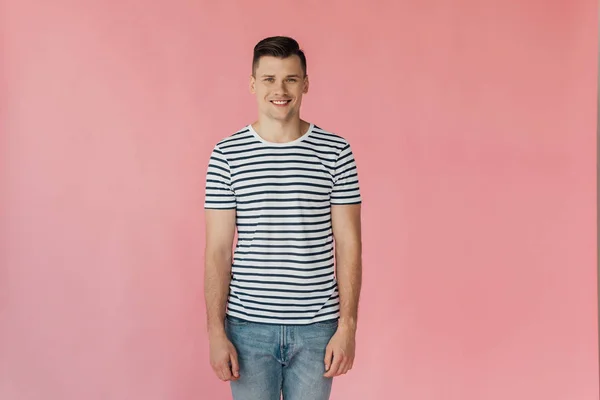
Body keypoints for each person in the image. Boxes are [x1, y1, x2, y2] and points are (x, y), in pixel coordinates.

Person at [203, 35, 362, 400]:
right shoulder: (226, 155)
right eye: (270, 79)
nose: (280, 89)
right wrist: (216, 332)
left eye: (291, 78)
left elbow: (349, 244)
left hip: (317, 330)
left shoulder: (336, 152)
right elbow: (217, 250)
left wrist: (347, 326)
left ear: (305, 84)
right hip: (247, 329)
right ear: (253, 84)